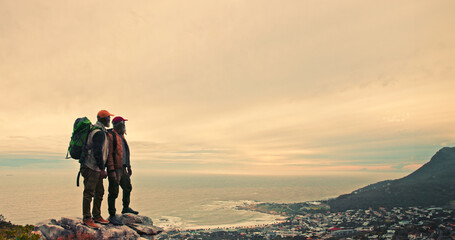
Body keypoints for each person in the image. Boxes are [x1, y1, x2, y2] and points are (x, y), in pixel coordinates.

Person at [80, 110, 114, 229]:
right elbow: (97, 152)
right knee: (89, 192)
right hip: (91, 167)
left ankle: (97, 215)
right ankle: (87, 217)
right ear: (103, 119)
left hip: (95, 167)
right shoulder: (98, 133)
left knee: (99, 191)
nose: (109, 120)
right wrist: (102, 169)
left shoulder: (101, 131)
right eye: (108, 118)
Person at [107, 116, 139, 226]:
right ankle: (112, 215)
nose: (124, 126)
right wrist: (111, 170)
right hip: (115, 168)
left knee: (127, 187)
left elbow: (125, 153)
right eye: (122, 124)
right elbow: (110, 154)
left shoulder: (121, 136)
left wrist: (128, 166)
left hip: (123, 168)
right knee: (113, 192)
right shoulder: (112, 136)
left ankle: (125, 208)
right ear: (117, 125)